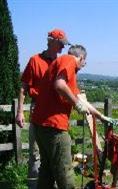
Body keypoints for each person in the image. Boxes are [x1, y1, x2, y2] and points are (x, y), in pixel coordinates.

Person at [31, 44, 113, 189]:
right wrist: (76, 104)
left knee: (47, 170)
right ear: (81, 57)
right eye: (84, 62)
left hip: (40, 126)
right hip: (54, 127)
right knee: (64, 170)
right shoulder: (69, 60)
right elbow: (60, 85)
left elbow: (81, 100)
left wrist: (101, 116)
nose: (83, 66)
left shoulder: (65, 70)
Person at [15, 29, 70, 188]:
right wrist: (20, 112)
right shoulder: (35, 60)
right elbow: (23, 88)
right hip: (38, 110)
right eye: (61, 44)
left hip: (55, 113)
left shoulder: (60, 63)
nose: (62, 48)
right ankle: (34, 185)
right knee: (35, 152)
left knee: (54, 154)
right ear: (51, 41)